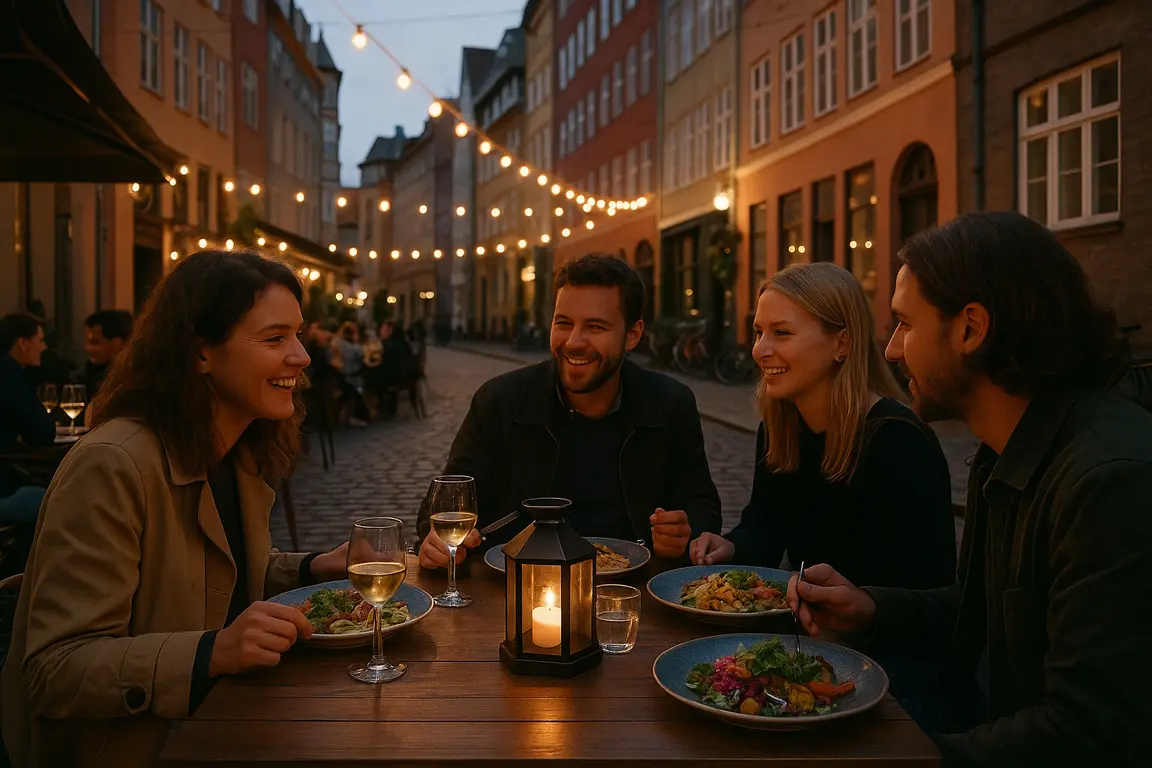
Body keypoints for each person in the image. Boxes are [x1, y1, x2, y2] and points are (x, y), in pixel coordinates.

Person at [785, 212, 1152, 765]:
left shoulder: (1108, 478)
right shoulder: (1005, 447)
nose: (889, 350)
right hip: (974, 710)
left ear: (971, 329)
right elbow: (983, 608)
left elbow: (1089, 732)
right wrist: (870, 610)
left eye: (905, 324)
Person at [1, 251, 350, 767]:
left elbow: (208, 578)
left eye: (299, 334)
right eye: (275, 338)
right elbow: (56, 670)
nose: (301, 356)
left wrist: (310, 568)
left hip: (223, 724)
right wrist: (213, 652)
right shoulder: (113, 465)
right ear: (200, 352)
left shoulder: (236, 453)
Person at [416, 253, 722, 569]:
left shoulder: (670, 403)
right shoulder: (499, 401)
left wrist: (685, 531)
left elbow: (702, 507)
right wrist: (437, 543)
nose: (574, 342)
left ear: (632, 335)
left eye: (595, 327)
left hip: (632, 592)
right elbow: (443, 505)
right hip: (514, 589)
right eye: (563, 323)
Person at [689, 263, 956, 589]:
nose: (760, 350)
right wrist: (730, 547)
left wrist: (864, 610)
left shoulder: (900, 442)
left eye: (782, 333)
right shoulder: (780, 429)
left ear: (841, 343)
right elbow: (765, 530)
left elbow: (932, 595)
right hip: (801, 631)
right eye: (759, 332)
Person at [0, 313, 56, 525]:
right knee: (52, 500)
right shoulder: (8, 373)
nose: (43, 348)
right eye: (40, 341)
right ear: (23, 343)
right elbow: (42, 432)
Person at [80, 309, 133, 398]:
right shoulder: (86, 375)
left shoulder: (134, 379)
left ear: (118, 343)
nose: (87, 348)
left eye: (95, 342)